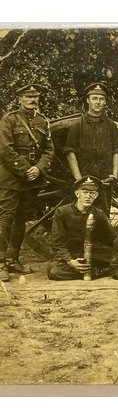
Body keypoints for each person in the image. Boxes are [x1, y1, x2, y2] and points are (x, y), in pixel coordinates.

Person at [0, 84, 55, 281]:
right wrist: (25, 169)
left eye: (35, 97)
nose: (33, 100)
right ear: (20, 99)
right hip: (12, 178)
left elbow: (49, 149)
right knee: (6, 217)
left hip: (33, 178)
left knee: (22, 219)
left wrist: (38, 168)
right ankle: (0, 264)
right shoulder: (9, 120)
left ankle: (13, 259)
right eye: (28, 97)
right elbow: (5, 149)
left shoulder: (43, 121)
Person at [63, 82, 118, 215]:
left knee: (103, 213)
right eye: (94, 98)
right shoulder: (77, 125)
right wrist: (79, 180)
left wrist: (114, 175)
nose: (98, 102)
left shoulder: (110, 125)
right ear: (88, 100)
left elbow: (116, 151)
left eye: (101, 99)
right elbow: (70, 153)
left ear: (105, 102)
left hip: (104, 179)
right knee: (80, 214)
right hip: (83, 176)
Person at [47, 176, 117, 281]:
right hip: (72, 254)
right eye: (85, 192)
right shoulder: (62, 212)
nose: (88, 196)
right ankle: (97, 271)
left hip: (94, 254)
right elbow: (58, 244)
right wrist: (71, 261)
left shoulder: (99, 213)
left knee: (117, 259)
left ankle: (93, 270)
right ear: (77, 193)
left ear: (96, 195)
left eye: (92, 193)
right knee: (54, 271)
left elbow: (113, 239)